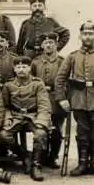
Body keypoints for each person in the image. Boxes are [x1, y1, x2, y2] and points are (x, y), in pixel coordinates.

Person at [55, 20, 94, 178]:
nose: (87, 36)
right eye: (85, 33)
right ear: (80, 36)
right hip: (79, 99)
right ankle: (82, 163)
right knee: (82, 131)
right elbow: (60, 79)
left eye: (91, 34)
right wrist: (62, 98)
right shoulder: (72, 57)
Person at [0, 56, 51, 181]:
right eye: (18, 67)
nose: (21, 69)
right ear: (14, 69)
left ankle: (36, 165)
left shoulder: (37, 84)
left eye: (24, 67)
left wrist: (41, 121)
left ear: (29, 68)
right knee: (4, 135)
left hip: (33, 116)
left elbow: (44, 105)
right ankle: (25, 156)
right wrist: (7, 118)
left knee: (40, 134)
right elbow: (5, 106)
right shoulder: (8, 85)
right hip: (16, 116)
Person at [31, 32, 67, 168]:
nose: (48, 45)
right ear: (42, 45)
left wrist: (64, 98)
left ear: (56, 44)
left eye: (51, 43)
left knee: (57, 130)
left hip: (57, 98)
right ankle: (42, 156)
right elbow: (31, 80)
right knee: (42, 129)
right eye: (46, 43)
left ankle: (53, 157)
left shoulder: (63, 61)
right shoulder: (35, 61)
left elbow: (66, 82)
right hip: (41, 99)